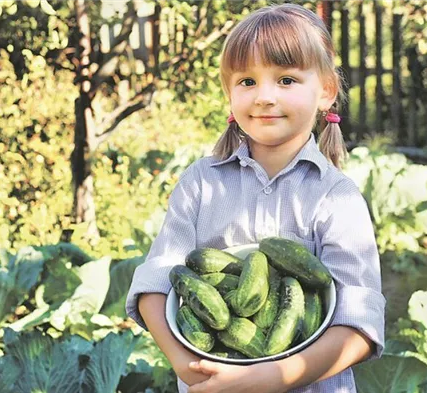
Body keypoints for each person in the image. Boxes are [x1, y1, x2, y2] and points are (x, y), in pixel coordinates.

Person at [126, 4, 385, 392]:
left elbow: (358, 324)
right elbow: (158, 279)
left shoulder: (336, 198)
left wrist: (271, 378)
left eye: (285, 79)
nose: (264, 96)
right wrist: (184, 363)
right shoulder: (200, 182)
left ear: (326, 91)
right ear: (229, 93)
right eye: (247, 81)